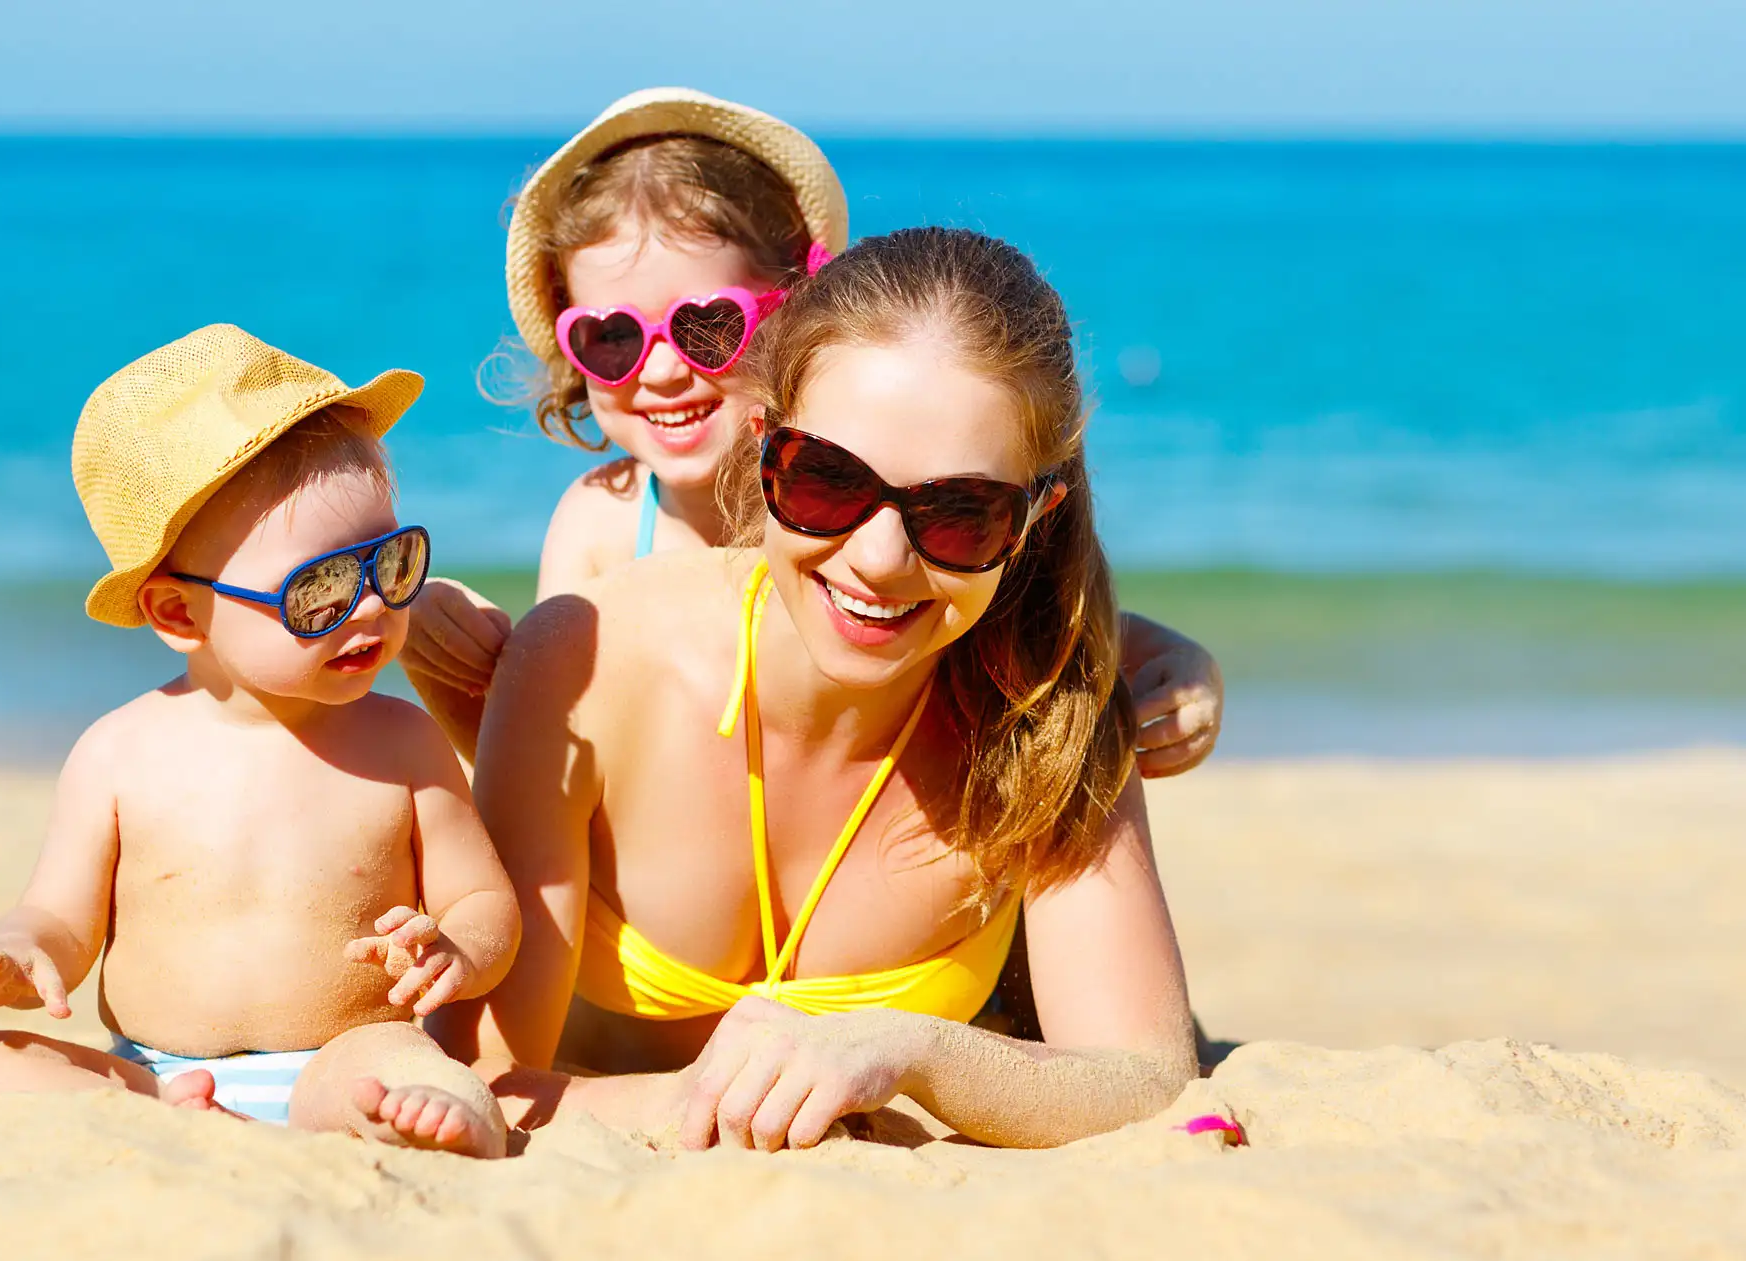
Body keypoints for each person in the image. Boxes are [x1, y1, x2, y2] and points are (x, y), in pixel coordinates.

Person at [448, 228, 1197, 1151]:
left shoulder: (1050, 709)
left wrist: (907, 1052)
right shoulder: (586, 662)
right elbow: (482, 1081)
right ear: (764, 446)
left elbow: (1145, 1078)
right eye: (828, 482)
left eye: (960, 513)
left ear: (1035, 516)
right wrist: (696, 1106)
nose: (880, 561)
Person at [397, 88, 1224, 779]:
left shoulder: (870, 508)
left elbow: (1055, 620)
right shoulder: (601, 527)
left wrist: (1178, 662)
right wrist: (461, 672)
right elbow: (565, 774)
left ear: (798, 311)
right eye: (612, 338)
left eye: (708, 328)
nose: (659, 372)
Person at [0, 324, 522, 1157]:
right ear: (179, 613)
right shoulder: (119, 752)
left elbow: (484, 900)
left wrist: (458, 951)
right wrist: (13, 959)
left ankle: (403, 1119)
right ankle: (163, 1111)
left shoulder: (402, 743)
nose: (371, 605)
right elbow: (61, 917)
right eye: (321, 588)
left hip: (339, 1054)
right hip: (151, 1067)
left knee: (415, 1071)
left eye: (391, 563)